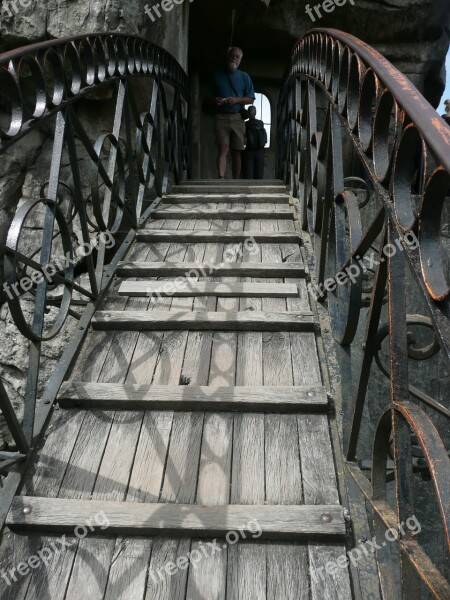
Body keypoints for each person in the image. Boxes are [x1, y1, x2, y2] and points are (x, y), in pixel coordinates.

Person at [209, 47, 255, 179]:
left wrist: (236, 100)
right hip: (221, 117)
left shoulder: (244, 76)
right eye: (232, 55)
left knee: (237, 151)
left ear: (240, 60)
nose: (234, 57)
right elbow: (208, 97)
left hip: (237, 117)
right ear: (227, 56)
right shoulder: (217, 75)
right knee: (222, 149)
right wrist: (214, 100)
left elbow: (251, 98)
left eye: (237, 56)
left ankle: (235, 182)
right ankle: (221, 178)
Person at [244, 106, 267, 179]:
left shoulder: (246, 124)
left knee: (248, 173)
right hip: (260, 149)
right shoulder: (260, 123)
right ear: (255, 113)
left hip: (249, 149)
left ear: (248, 113)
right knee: (259, 174)